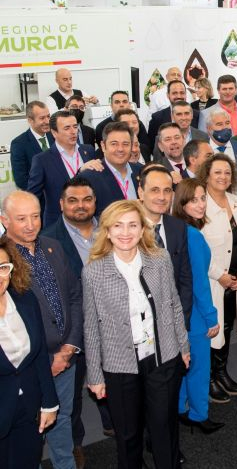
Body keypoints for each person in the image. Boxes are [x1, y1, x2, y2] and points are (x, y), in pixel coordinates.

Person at [82, 200, 190, 469]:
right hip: (120, 366)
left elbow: (173, 304)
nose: (125, 232)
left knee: (164, 429)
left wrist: (183, 347)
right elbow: (91, 326)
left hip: (162, 358)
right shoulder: (94, 271)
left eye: (132, 225)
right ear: (106, 231)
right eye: (117, 225)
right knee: (128, 437)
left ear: (143, 229)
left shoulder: (160, 259)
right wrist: (95, 374)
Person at [1, 191, 83, 469]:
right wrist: (48, 362)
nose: (30, 224)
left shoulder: (53, 246)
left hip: (65, 358)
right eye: (21, 218)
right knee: (25, 437)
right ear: (4, 220)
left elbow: (74, 295)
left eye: (35, 216)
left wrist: (69, 348)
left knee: (62, 422)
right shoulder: (3, 263)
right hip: (27, 369)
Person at [41, 177, 114, 459]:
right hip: (72, 331)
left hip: (110, 323)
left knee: (112, 378)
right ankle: (75, 443)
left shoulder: (111, 232)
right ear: (61, 204)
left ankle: (112, 424)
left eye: (87, 199)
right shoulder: (48, 240)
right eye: (73, 200)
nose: (80, 205)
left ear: (95, 203)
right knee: (70, 397)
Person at [199, 154, 237, 402]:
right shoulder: (200, 205)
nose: (223, 177)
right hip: (213, 282)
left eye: (227, 173)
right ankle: (208, 378)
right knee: (212, 329)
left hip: (236, 280)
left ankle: (221, 372)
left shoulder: (235, 200)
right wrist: (220, 275)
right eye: (217, 172)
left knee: (228, 325)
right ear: (207, 176)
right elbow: (197, 248)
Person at [0, 236, 59, 469]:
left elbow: (39, 356)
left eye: (3, 267)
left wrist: (49, 403)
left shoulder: (25, 299)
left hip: (29, 409)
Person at [170, 180, 222, 433]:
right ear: (181, 203)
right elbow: (199, 281)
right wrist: (211, 317)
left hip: (179, 311)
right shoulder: (192, 235)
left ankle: (180, 408)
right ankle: (200, 415)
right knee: (200, 367)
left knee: (183, 363)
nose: (200, 204)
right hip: (196, 314)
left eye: (203, 198)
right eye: (193, 200)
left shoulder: (175, 228)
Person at [137, 165, 194, 328]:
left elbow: (185, 279)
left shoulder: (178, 227)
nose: (162, 197)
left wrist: (182, 321)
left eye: (167, 190)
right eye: (154, 190)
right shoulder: (127, 229)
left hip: (173, 322)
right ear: (141, 192)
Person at [27, 110, 96, 227]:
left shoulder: (88, 150)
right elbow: (32, 195)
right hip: (58, 224)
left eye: (75, 126)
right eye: (67, 128)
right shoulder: (42, 160)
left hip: (89, 220)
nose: (73, 131)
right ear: (54, 133)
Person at [80, 122, 142, 215]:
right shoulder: (88, 178)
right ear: (103, 146)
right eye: (114, 144)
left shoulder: (142, 171)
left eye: (125, 144)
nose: (120, 149)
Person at [205, 109, 237, 208]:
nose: (225, 127)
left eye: (227, 123)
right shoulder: (202, 150)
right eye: (219, 124)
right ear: (209, 129)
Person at [10, 101, 53, 191]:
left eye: (48, 116)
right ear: (30, 120)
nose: (47, 121)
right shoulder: (19, 144)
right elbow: (21, 180)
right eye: (42, 118)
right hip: (38, 198)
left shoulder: (55, 135)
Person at [148, 81, 199, 150]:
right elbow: (152, 146)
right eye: (174, 93)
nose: (179, 96)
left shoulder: (197, 115)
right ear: (168, 95)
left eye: (182, 93)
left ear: (186, 95)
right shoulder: (157, 118)